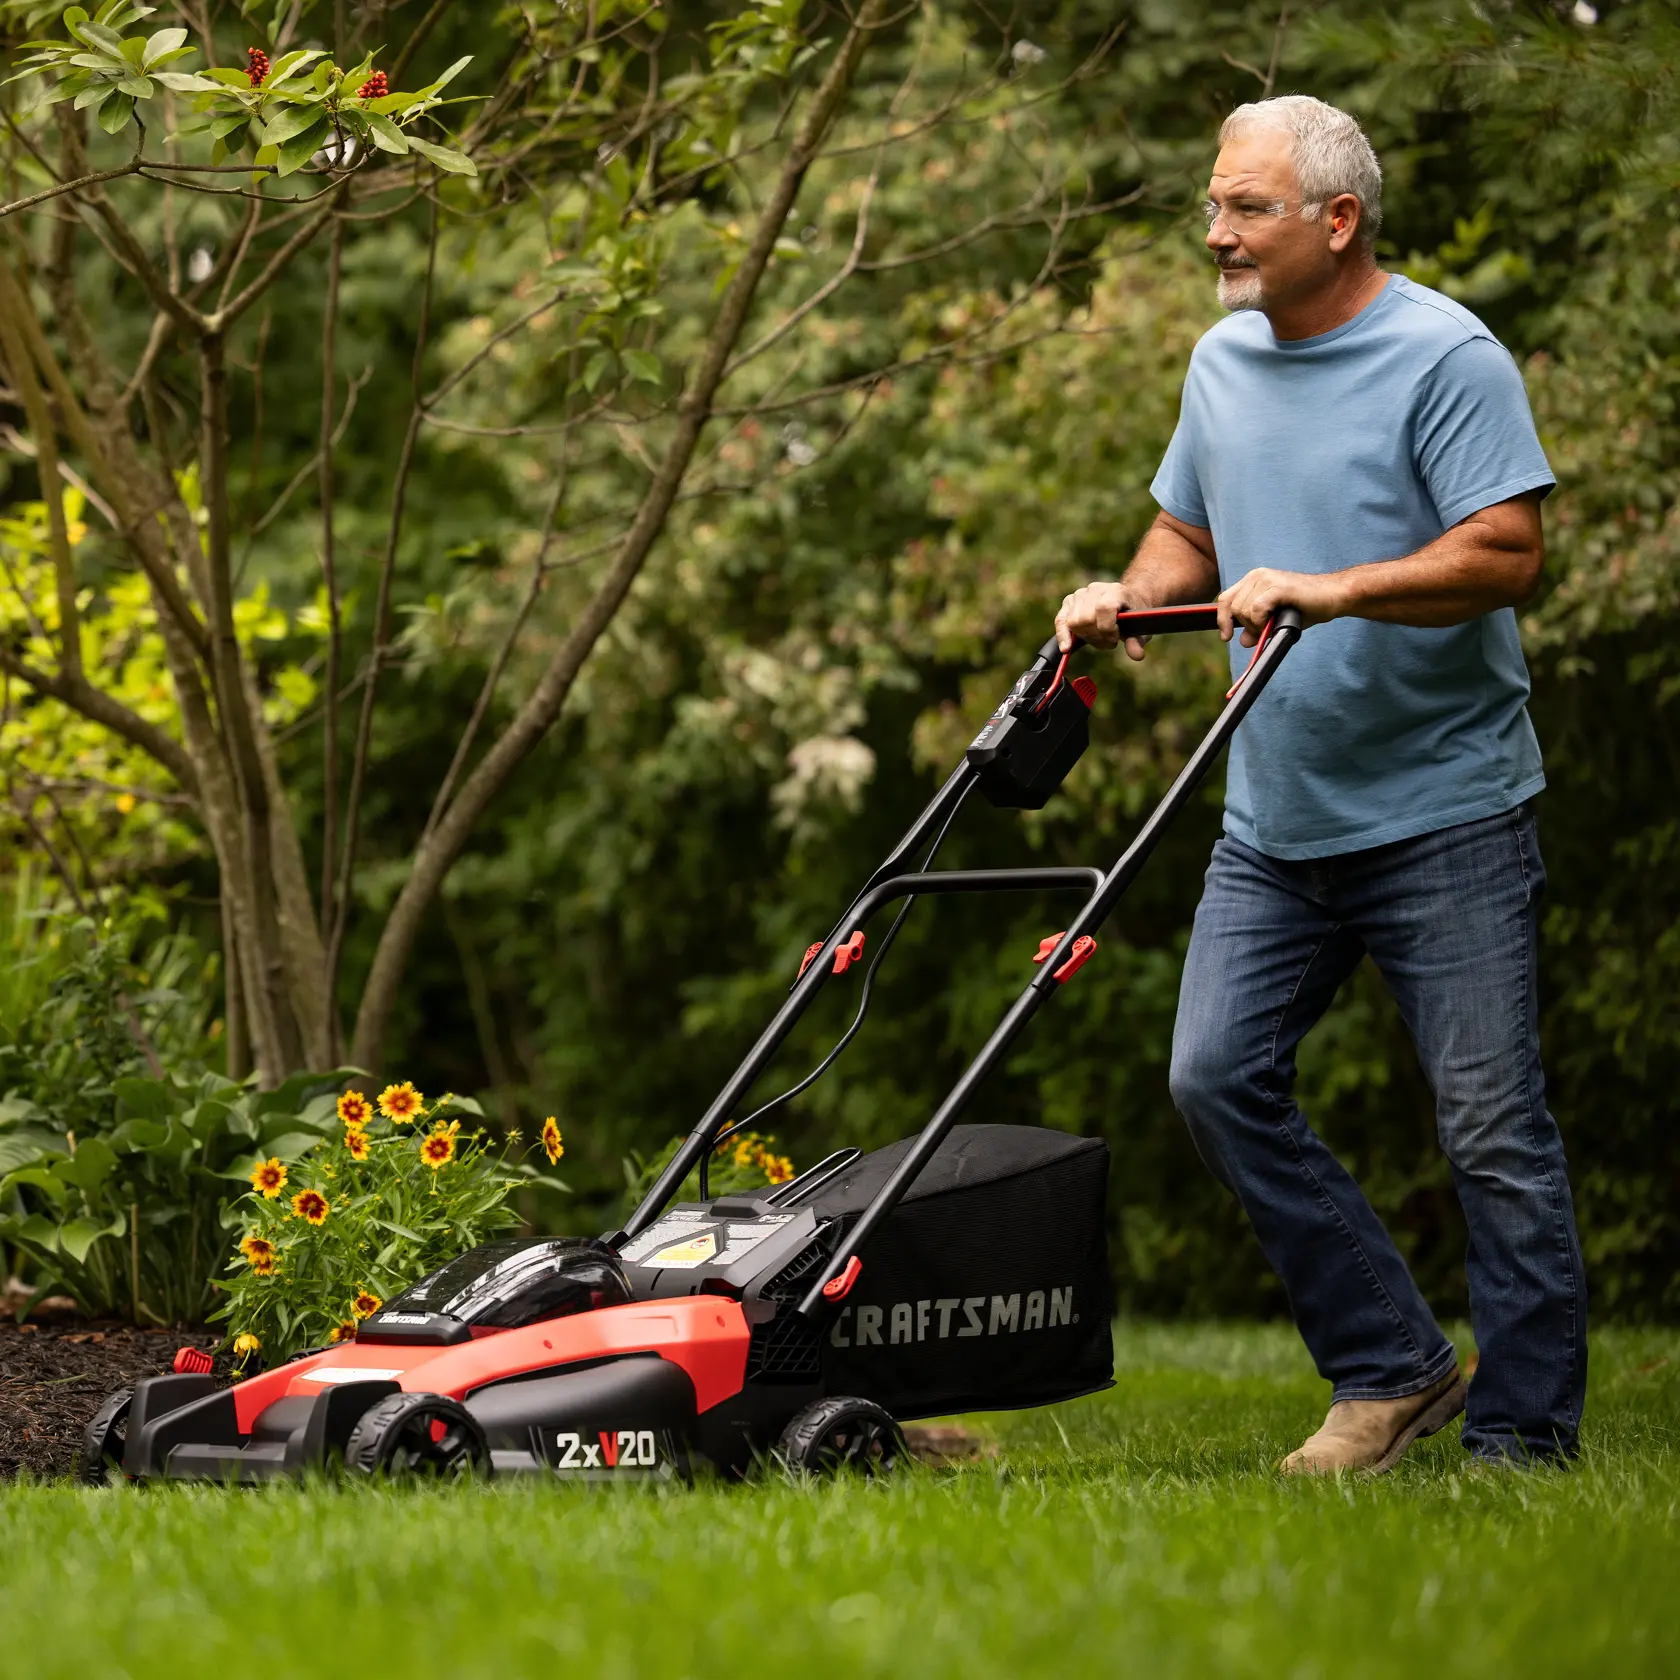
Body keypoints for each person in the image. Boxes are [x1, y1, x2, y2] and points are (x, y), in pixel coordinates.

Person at [1055, 95, 1586, 1472]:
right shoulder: (1222, 361)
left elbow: (1508, 554)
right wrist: (1131, 594)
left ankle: (1525, 1439)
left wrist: (1333, 590)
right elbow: (1189, 523)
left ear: (1337, 221)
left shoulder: (1445, 357)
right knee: (1215, 1077)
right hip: (1275, 815)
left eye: (1247, 208)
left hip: (1447, 809)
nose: (1216, 231)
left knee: (1490, 1127)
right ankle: (1392, 1364)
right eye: (1216, 204)